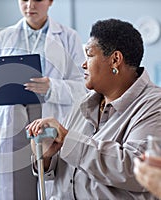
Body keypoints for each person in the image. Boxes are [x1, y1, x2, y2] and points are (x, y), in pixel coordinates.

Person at [26, 18, 161, 199]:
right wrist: (46, 156)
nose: (83, 64)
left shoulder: (153, 105)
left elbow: (135, 170)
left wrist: (67, 139)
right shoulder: (84, 103)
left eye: (89, 55)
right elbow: (58, 171)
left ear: (115, 59)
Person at [0, 0, 86, 199]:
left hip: (50, 118)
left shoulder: (69, 37)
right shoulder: (4, 37)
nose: (29, 5)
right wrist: (6, 83)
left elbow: (83, 88)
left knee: (49, 182)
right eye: (24, 0)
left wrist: (52, 87)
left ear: (50, 1)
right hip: (13, 121)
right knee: (14, 187)